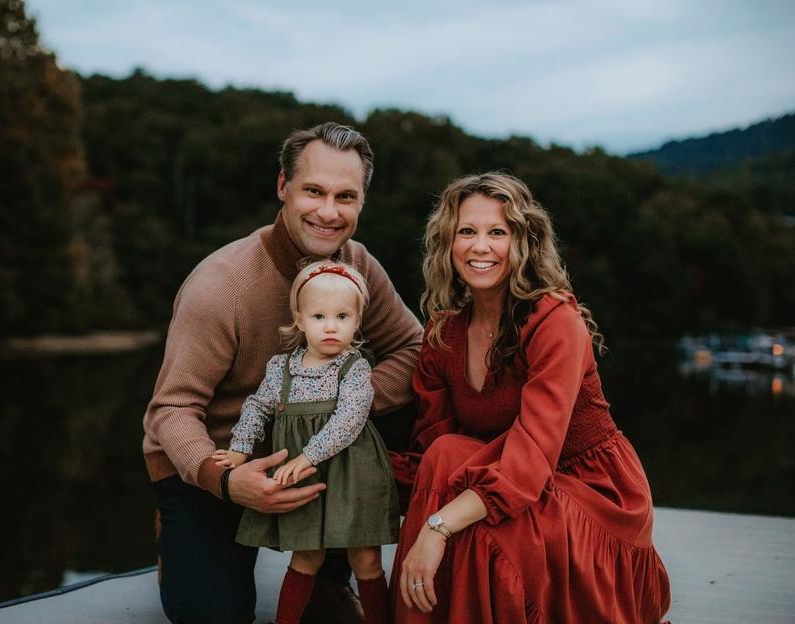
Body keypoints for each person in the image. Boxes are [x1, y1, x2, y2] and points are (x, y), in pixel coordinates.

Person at [143, 122, 423, 624]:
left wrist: (344, 402)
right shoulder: (222, 285)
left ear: (362, 202)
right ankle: (180, 538)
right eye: (314, 191)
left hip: (317, 451)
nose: (328, 212)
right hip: (220, 459)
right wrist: (224, 479)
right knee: (216, 616)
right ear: (282, 187)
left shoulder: (359, 266)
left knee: (419, 402)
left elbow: (413, 348)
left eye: (345, 196)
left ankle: (330, 573)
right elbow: (173, 408)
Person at [390, 172, 671, 623]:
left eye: (498, 232)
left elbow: (533, 455)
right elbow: (429, 454)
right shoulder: (443, 334)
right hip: (505, 479)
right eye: (467, 231)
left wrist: (436, 528)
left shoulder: (554, 321)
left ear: (523, 242)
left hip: (590, 492)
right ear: (447, 243)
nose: (481, 247)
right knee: (444, 456)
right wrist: (336, 462)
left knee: (460, 495)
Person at [212, 260, 399, 624]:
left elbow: (350, 418)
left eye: (342, 317)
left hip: (353, 471)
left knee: (365, 557)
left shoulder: (354, 367)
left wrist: (308, 456)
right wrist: (240, 449)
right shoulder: (281, 368)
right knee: (306, 554)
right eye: (318, 317)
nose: (331, 326)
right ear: (299, 319)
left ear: (357, 321)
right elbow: (258, 406)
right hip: (303, 476)